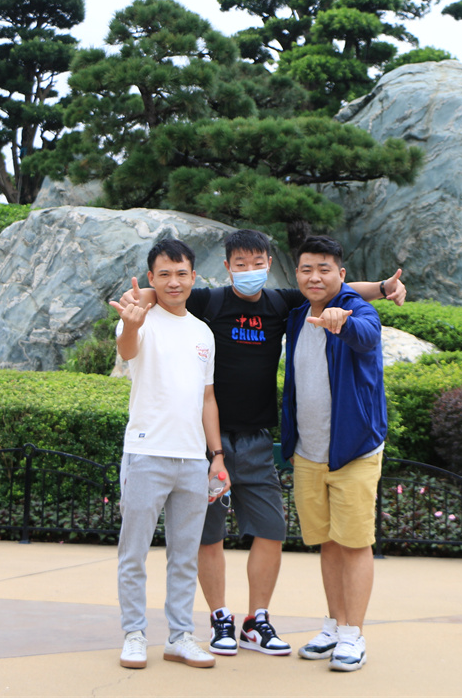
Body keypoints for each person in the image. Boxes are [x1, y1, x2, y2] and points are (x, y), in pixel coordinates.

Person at [118, 229, 404, 657]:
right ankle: (220, 617)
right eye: (240, 264)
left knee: (271, 529)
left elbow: (331, 287)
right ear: (226, 267)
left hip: (257, 438)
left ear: (269, 265)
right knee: (207, 536)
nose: (249, 271)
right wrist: (138, 299)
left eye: (257, 263)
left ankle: (257, 620)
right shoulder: (208, 301)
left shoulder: (281, 303)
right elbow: (164, 291)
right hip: (206, 442)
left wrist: (382, 288)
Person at [110, 238, 231, 671]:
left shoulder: (203, 332)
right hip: (146, 453)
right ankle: (134, 634)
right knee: (134, 553)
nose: (173, 281)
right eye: (164, 274)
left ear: (194, 277)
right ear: (151, 278)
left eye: (181, 273)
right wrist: (130, 324)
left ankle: (180, 637)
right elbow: (127, 351)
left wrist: (216, 456)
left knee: (184, 556)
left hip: (193, 460)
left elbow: (208, 398)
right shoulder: (138, 318)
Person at [281, 235, 387, 672]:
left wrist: (342, 322)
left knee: (355, 543)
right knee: (327, 542)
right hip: (308, 452)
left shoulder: (358, 310)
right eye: (306, 269)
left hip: (353, 449)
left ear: (341, 275)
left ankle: (353, 634)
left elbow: (367, 335)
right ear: (297, 273)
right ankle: (333, 625)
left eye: (324, 269)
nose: (314, 277)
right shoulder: (295, 316)